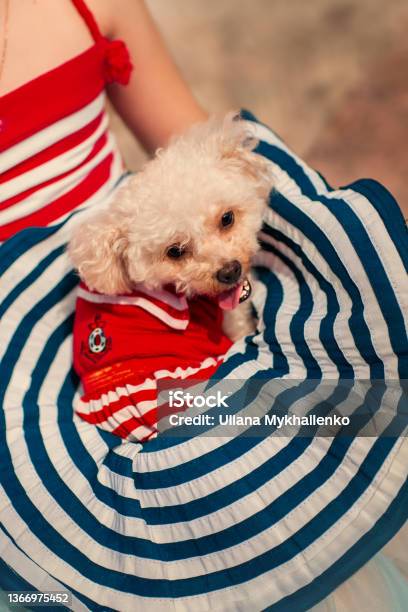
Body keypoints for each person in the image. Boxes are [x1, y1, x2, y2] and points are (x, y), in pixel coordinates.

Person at [0, 1, 407, 611]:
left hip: (154, 259)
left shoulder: (89, 7)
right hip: (37, 336)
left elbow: (191, 142)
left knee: (343, 382)